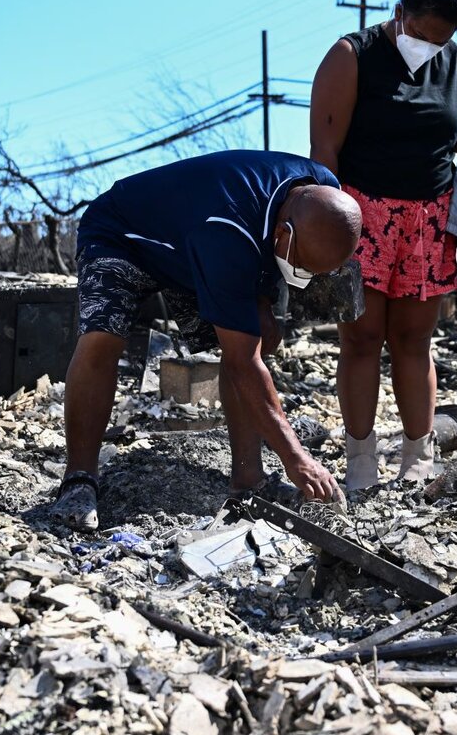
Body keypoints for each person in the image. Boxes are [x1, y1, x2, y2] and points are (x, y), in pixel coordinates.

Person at [53, 149, 362, 530]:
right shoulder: (226, 232)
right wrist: (297, 457)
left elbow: (263, 252)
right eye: (301, 268)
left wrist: (265, 298)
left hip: (194, 239)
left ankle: (249, 480)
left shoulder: (323, 191)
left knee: (261, 336)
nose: (302, 277)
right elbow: (242, 362)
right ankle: (78, 480)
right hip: (122, 233)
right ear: (285, 234)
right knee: (103, 338)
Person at [309, 0, 457, 490]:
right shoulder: (351, 56)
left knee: (415, 341)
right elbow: (324, 153)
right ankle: (360, 460)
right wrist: (328, 235)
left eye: (441, 40)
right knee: (361, 339)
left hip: (429, 222)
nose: (430, 46)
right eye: (423, 33)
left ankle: (417, 457)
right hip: (360, 216)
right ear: (399, 11)